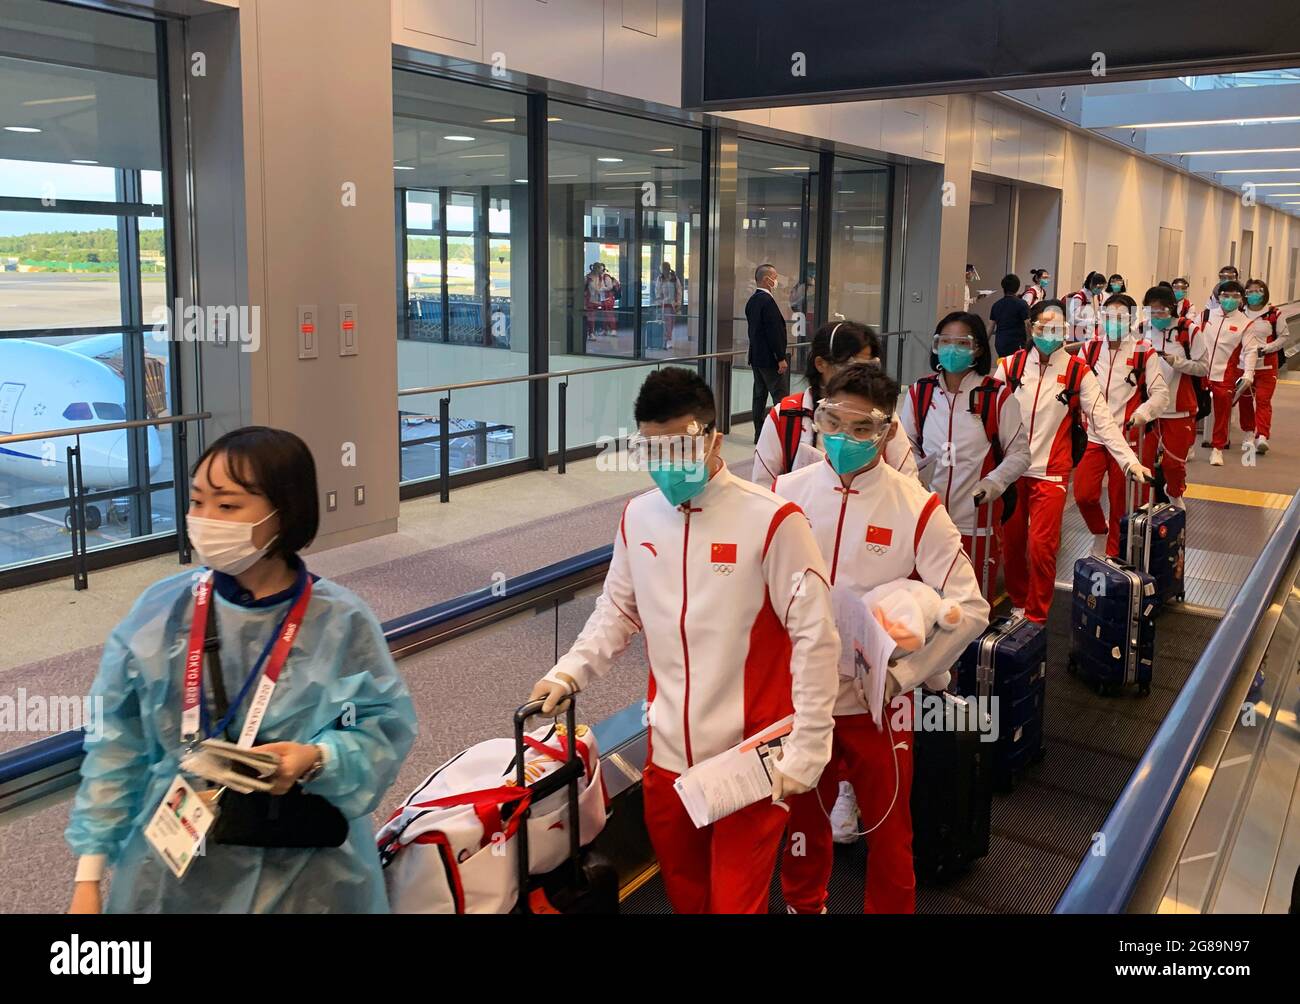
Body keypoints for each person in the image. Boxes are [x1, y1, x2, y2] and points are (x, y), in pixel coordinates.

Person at [66, 427, 417, 914]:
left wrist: (316, 758)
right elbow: (116, 743)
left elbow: (379, 727)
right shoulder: (163, 611)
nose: (206, 520)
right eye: (197, 502)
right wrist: (89, 876)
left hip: (309, 872)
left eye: (228, 507)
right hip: (175, 868)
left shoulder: (340, 621)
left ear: (284, 511)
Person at [529, 368, 839, 914]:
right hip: (668, 761)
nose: (666, 461)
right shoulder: (638, 516)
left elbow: (816, 638)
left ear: (714, 438)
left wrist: (811, 746)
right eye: (652, 447)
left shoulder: (774, 521)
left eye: (680, 444)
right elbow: (617, 611)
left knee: (733, 905)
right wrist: (568, 671)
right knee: (688, 900)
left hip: (749, 761)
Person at [775, 363, 989, 914]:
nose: (843, 439)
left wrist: (901, 677)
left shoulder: (916, 506)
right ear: (817, 417)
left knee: (891, 832)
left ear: (888, 430)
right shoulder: (785, 494)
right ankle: (806, 906)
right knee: (801, 822)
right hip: (803, 696)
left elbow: (970, 608)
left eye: (861, 429)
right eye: (831, 422)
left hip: (879, 704)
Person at [999, 301, 1151, 623]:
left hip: (1050, 473)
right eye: (1043, 327)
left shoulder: (1077, 372)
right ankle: (1017, 600)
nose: (1049, 334)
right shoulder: (1010, 367)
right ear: (1031, 327)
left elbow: (1103, 420)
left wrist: (1129, 461)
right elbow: (990, 414)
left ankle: (1037, 615)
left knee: (1041, 547)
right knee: (1012, 545)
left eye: (1057, 328)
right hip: (1011, 472)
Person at [901, 311, 1029, 600]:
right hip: (926, 519)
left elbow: (1020, 453)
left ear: (978, 348)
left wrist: (993, 483)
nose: (951, 349)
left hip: (975, 522)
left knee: (971, 606)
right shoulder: (920, 392)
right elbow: (905, 446)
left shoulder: (995, 396)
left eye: (961, 342)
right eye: (945, 341)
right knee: (924, 604)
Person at [751, 321, 918, 487]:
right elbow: (762, 488)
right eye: (851, 367)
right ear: (820, 364)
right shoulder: (786, 415)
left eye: (868, 368)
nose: (859, 377)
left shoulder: (881, 418)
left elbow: (908, 483)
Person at [1072, 294, 1169, 557]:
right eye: (1108, 317)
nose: (1113, 322)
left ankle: (1113, 555)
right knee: (1084, 495)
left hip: (1126, 437)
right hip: (1093, 435)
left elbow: (1160, 393)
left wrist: (1142, 413)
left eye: (1120, 317)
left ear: (1131, 320)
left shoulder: (1143, 351)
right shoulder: (1089, 349)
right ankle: (1099, 531)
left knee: (1121, 502)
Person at [1135, 285, 1207, 510]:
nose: (1156, 317)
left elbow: (1203, 368)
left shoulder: (1189, 331)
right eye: (1151, 311)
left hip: (1180, 407)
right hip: (1147, 409)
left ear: (1172, 309)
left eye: (1161, 312)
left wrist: (1176, 362)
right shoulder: (1141, 330)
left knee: (1174, 464)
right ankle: (1145, 502)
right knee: (1142, 461)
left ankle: (1174, 492)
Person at [1202, 280, 1257, 466]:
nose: (1230, 299)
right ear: (1219, 297)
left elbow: (1250, 350)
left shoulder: (1245, 323)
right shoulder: (1206, 315)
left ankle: (1218, 448)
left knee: (1222, 412)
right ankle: (1187, 447)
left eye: (1235, 296)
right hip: (1200, 370)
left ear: (1241, 299)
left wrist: (1249, 372)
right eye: (1226, 295)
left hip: (1225, 373)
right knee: (1191, 409)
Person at [1239, 278, 1292, 456]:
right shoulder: (1240, 312)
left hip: (1267, 365)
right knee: (1245, 400)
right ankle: (1248, 431)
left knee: (1263, 399)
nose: (1254, 295)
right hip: (1243, 364)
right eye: (1250, 291)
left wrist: (1268, 348)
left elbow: (1284, 336)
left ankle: (1262, 435)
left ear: (1264, 292)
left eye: (1257, 291)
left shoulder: (1274, 314)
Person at [747, 263, 791, 443]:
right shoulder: (768, 302)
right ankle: (784, 434)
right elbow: (774, 333)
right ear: (766, 279)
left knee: (759, 396)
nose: (777, 280)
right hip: (770, 360)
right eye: (775, 276)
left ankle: (759, 433)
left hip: (756, 357)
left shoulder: (752, 301)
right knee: (780, 397)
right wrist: (780, 357)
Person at [990, 273, 1032, 359]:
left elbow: (990, 327)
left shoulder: (996, 305)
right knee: (1016, 367)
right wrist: (1029, 341)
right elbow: (1027, 324)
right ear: (1017, 287)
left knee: (1003, 365)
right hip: (1017, 344)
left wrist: (984, 342)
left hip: (1000, 343)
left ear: (1003, 287)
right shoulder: (1022, 304)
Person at [1066, 271, 1108, 344]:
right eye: (1099, 287)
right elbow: (1072, 319)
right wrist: (1090, 321)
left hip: (1090, 332)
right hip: (1077, 333)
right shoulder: (1079, 297)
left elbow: (1095, 312)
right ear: (1091, 285)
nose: (1100, 290)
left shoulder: (1096, 297)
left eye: (1102, 287)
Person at [584, 262, 619, 341]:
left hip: (600, 300)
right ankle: (591, 333)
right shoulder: (588, 278)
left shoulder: (602, 277)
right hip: (591, 300)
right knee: (591, 317)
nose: (600, 271)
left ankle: (597, 331)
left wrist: (601, 290)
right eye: (599, 269)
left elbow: (607, 287)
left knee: (605, 314)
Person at [654, 261, 683, 349]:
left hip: (673, 304)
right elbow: (657, 290)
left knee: (672, 322)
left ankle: (669, 339)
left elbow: (679, 291)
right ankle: (667, 339)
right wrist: (659, 300)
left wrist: (678, 302)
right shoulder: (660, 279)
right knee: (667, 323)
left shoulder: (674, 278)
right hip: (664, 304)